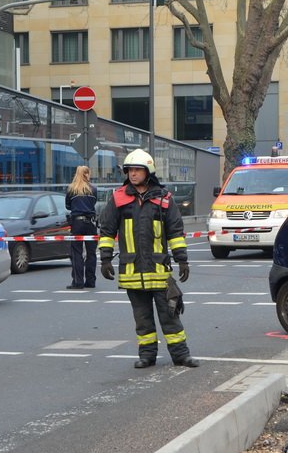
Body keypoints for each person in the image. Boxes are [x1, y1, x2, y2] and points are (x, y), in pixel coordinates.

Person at [97, 149, 197, 369]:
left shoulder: (164, 198)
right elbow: (106, 231)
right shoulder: (119, 198)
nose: (133, 174)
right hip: (132, 271)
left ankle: (181, 355)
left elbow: (175, 232)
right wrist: (104, 259)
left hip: (159, 269)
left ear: (148, 172)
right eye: (130, 170)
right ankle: (147, 356)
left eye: (137, 170)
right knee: (142, 319)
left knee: (170, 315)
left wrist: (183, 260)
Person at [65, 165, 98, 289]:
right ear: (87, 174)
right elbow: (93, 203)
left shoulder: (71, 190)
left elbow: (68, 206)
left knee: (77, 253)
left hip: (77, 223)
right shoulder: (93, 190)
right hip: (91, 223)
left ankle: (78, 281)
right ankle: (91, 281)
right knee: (91, 253)